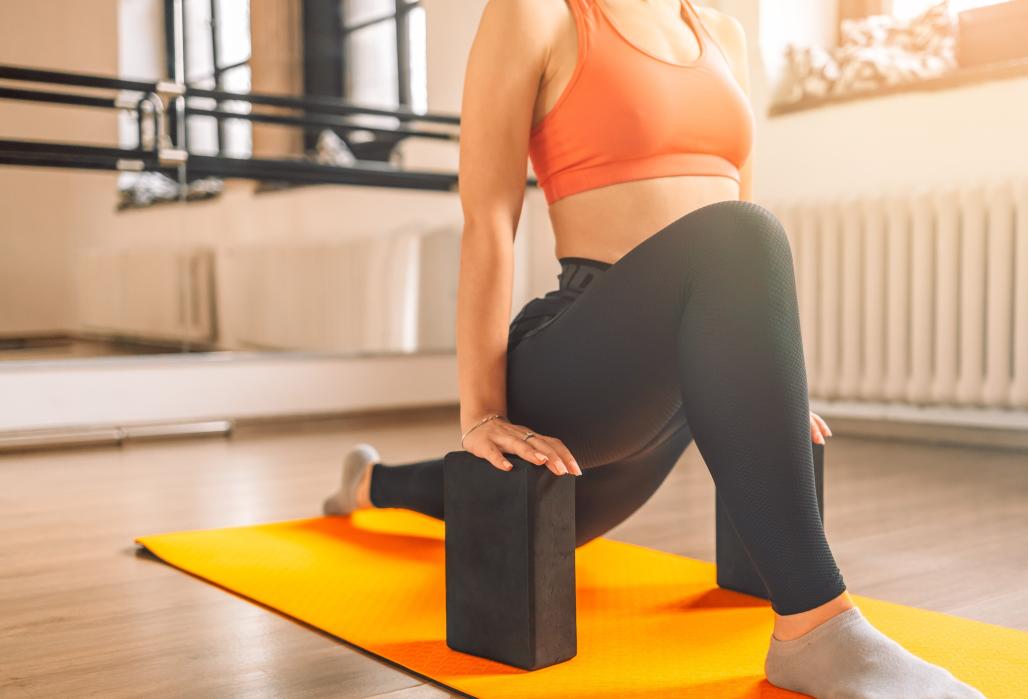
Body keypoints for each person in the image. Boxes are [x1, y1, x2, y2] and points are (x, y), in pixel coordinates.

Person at [323, 1, 985, 696]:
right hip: (576, 349)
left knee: (559, 519)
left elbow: (747, 279)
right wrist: (481, 412)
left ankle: (369, 483)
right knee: (744, 234)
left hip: (670, 385)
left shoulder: (722, 34)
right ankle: (816, 626)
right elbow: (488, 217)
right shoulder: (538, 12)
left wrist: (775, 398)